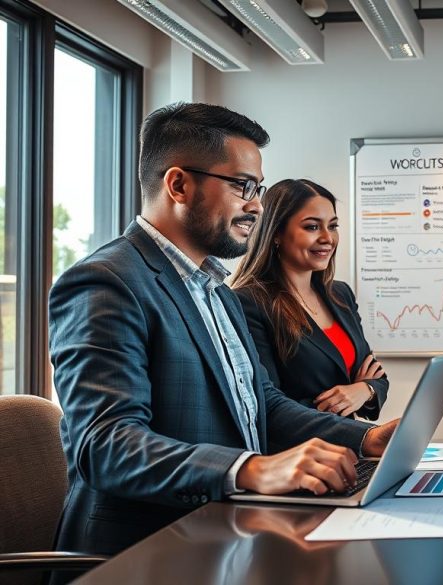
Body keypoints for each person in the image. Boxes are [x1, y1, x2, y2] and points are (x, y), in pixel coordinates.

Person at [48, 102, 398, 556]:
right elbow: (106, 445)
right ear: (178, 184)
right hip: (146, 549)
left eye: (259, 187)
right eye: (242, 186)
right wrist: (252, 469)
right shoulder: (106, 282)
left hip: (227, 532)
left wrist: (365, 437)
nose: (256, 205)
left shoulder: (218, 292)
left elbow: (261, 405)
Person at [232, 179, 388, 420]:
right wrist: (343, 399)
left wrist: (364, 390)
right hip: (301, 452)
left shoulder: (340, 295)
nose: (328, 238)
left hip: (353, 446)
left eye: (333, 226)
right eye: (312, 227)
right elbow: (268, 401)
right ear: (276, 234)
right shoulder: (249, 302)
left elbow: (376, 376)